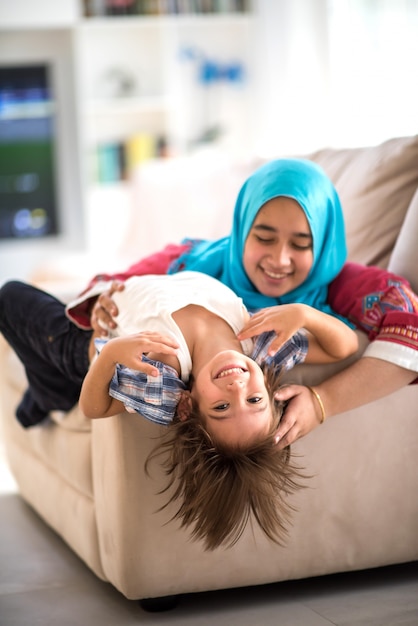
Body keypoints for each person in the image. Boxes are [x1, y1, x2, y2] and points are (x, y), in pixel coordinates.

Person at [66, 158, 418, 446]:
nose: (280, 259)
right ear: (242, 229)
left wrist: (323, 401)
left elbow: (409, 328)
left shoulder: (345, 283)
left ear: (324, 242)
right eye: (264, 238)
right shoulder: (197, 258)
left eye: (300, 244)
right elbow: (114, 284)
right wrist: (105, 301)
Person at [0, 271, 358, 551]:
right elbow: (345, 346)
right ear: (267, 386)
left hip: (81, 353)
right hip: (129, 294)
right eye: (254, 401)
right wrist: (306, 314)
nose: (237, 389)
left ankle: (48, 393)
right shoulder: (260, 340)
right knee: (38, 362)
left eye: (221, 407)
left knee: (10, 297)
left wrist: (108, 356)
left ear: (188, 404)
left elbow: (93, 407)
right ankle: (43, 393)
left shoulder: (163, 371)